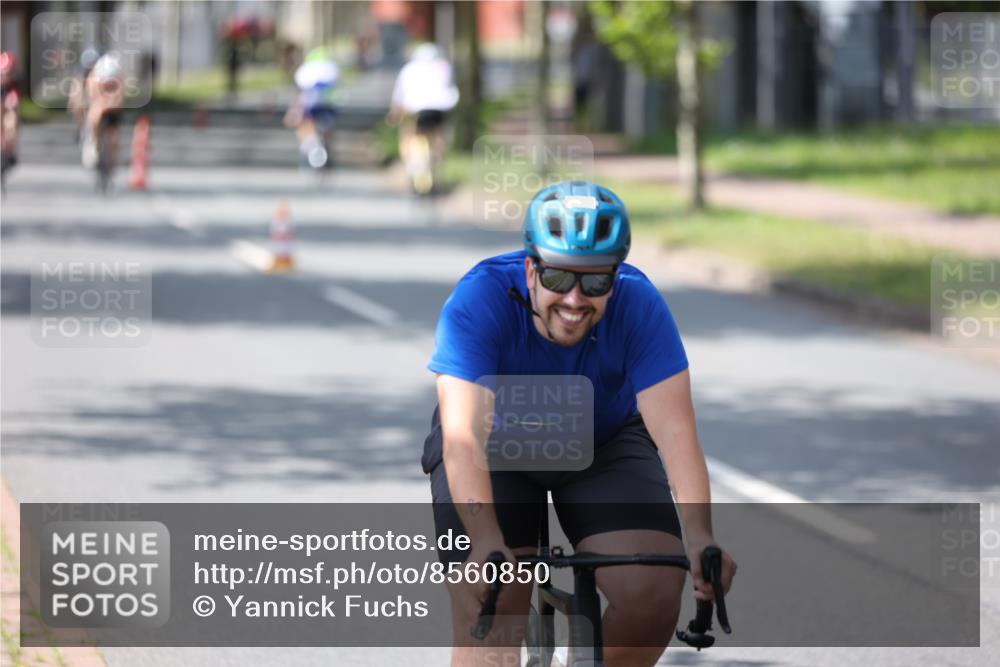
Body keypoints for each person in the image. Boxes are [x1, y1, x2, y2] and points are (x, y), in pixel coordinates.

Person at [423, 180, 737, 667]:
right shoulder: (480, 298)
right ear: (531, 268)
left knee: (653, 588)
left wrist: (700, 535)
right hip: (492, 445)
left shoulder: (639, 303)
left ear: (615, 276)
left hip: (601, 441)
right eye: (558, 278)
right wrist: (484, 539)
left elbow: (676, 434)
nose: (574, 300)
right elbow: (463, 438)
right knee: (492, 602)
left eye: (595, 283)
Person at [387, 43, 459, 194]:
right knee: (437, 137)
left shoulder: (409, 69)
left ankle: (413, 164)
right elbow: (451, 91)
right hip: (440, 109)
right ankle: (436, 161)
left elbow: (399, 96)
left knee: (409, 135)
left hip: (417, 110)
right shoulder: (444, 67)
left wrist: (394, 114)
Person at [284, 47, 339, 169]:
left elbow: (300, 93)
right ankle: (328, 146)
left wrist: (292, 112)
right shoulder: (333, 68)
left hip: (311, 102)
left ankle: (311, 146)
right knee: (330, 125)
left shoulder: (304, 71)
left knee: (304, 123)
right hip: (329, 103)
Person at [81, 53, 125, 170]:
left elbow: (119, 100)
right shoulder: (94, 79)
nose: (108, 86)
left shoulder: (118, 80)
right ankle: (93, 143)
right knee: (95, 114)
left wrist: (112, 104)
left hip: (112, 110)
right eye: (106, 84)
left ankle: (113, 156)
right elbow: (94, 99)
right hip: (100, 106)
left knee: (113, 133)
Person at [1, 51, 20, 183]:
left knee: (12, 121)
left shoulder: (15, 84)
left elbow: (13, 105)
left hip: (9, 107)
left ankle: (10, 150)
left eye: (9, 73)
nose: (6, 76)